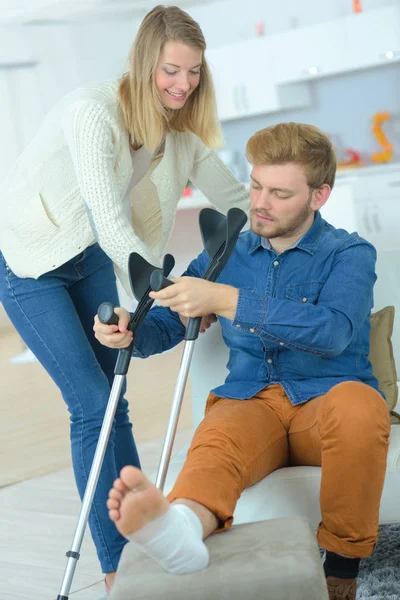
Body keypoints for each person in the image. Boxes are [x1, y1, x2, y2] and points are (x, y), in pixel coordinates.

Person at [0, 5, 249, 590]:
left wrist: (279, 223)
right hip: (31, 262)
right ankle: (115, 566)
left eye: (193, 72)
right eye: (171, 70)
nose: (182, 85)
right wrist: (164, 288)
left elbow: (234, 195)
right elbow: (108, 218)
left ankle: (145, 533)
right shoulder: (94, 113)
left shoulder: (174, 127)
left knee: (117, 396)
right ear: (144, 63)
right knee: (90, 403)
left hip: (83, 256)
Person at [94, 122, 391, 600]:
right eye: (255, 186)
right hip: (251, 402)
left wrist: (229, 300)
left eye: (279, 193)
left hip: (326, 404)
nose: (259, 203)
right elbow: (166, 327)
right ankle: (182, 531)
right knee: (218, 435)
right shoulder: (225, 251)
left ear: (319, 196)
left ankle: (340, 574)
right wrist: (128, 330)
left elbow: (333, 331)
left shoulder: (349, 253)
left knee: (360, 405)